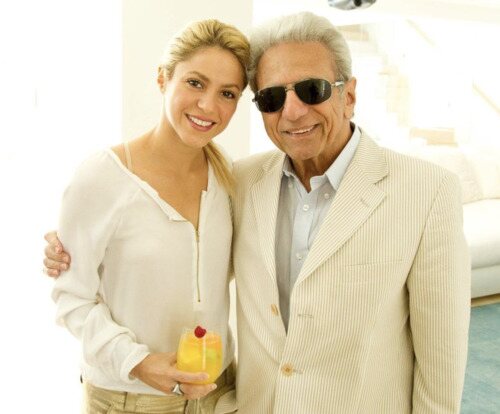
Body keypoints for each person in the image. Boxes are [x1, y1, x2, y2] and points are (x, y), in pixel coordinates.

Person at [44, 11, 470, 414]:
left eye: (312, 90)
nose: (293, 111)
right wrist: (69, 251)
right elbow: (120, 271)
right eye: (272, 98)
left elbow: (441, 359)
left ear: (350, 95)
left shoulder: (426, 192)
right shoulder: (243, 181)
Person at [44, 19, 249, 414]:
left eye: (227, 93)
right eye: (195, 83)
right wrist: (138, 362)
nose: (209, 106)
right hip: (130, 400)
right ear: (162, 78)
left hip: (220, 395)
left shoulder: (230, 180)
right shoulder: (102, 176)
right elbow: (71, 299)